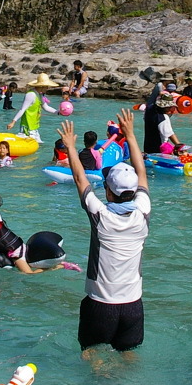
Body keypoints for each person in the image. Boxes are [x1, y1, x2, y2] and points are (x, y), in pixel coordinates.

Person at [59, 109, 151, 355]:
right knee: (129, 358)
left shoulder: (101, 216)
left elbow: (80, 178)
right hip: (133, 306)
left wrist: (69, 146)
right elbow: (141, 173)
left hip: (100, 305)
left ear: (109, 193)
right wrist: (130, 135)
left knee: (91, 357)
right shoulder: (143, 212)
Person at [7, 74, 59, 142]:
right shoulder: (31, 95)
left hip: (34, 127)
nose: (47, 88)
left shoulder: (39, 95)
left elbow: (46, 107)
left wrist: (58, 112)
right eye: (46, 86)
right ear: (41, 86)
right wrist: (13, 122)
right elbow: (22, 109)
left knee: (40, 146)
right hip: (27, 127)